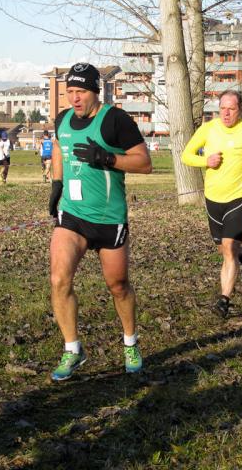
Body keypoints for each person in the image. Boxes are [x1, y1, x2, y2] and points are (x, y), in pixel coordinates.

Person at [47, 63, 152, 381]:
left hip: (109, 218)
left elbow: (145, 164)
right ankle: (72, 348)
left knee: (118, 286)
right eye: (70, 93)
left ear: (96, 91)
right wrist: (56, 185)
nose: (74, 99)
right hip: (72, 215)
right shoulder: (63, 119)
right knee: (59, 280)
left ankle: (130, 342)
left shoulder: (117, 120)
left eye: (80, 92)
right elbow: (59, 147)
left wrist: (108, 158)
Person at [181, 90, 242, 318]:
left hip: (238, 197)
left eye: (231, 108)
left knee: (229, 248)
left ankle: (224, 300)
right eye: (222, 108)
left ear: (239, 109)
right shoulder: (208, 128)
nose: (226, 113)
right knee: (224, 249)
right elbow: (186, 155)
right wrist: (206, 161)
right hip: (213, 199)